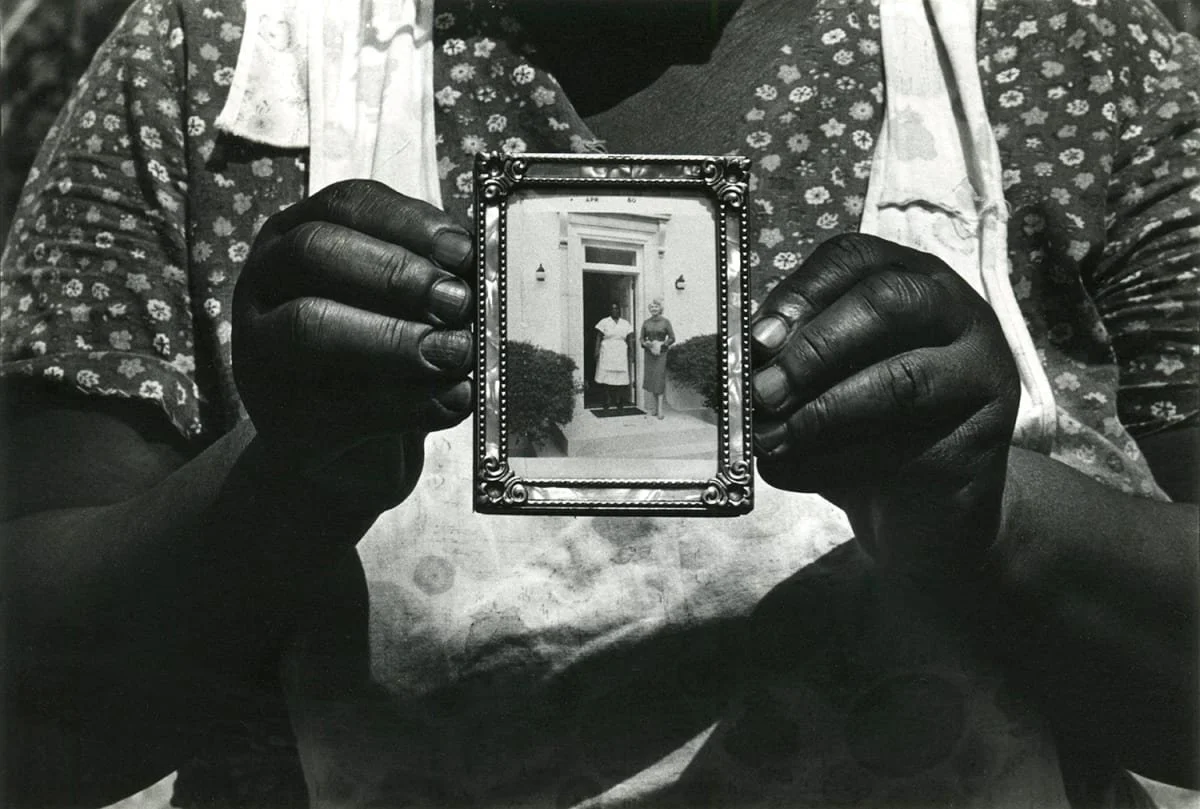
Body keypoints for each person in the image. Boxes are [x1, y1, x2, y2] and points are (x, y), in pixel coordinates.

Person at [1, 1, 1196, 808]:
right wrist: (278, 489)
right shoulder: (219, 71)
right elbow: (29, 718)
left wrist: (988, 515)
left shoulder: (1063, 53)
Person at [593, 301, 635, 411]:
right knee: (606, 375)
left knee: (619, 376)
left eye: (617, 308)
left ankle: (618, 400)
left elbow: (630, 339)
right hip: (607, 350)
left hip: (620, 351)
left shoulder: (625, 323)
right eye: (613, 309)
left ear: (620, 310)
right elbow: (598, 337)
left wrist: (631, 352)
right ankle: (607, 400)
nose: (615, 310)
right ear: (610, 310)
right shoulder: (604, 322)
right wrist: (596, 350)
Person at [640, 298, 675, 419]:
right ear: (650, 309)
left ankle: (660, 409)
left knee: (659, 378)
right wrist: (646, 344)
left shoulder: (665, 322)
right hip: (649, 353)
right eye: (652, 307)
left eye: (656, 307)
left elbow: (672, 337)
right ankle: (654, 408)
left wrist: (663, 344)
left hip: (661, 353)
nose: (654, 309)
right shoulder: (646, 322)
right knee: (651, 379)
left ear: (660, 309)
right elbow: (641, 338)